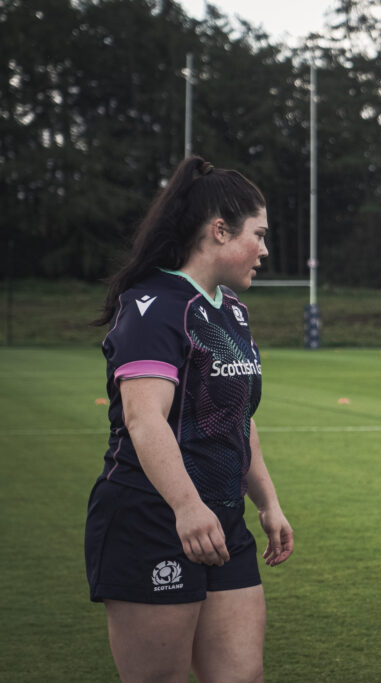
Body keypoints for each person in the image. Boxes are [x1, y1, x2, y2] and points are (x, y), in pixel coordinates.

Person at [85, 156, 294, 682]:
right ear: (219, 231)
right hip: (153, 517)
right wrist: (186, 507)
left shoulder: (232, 310)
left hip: (222, 520)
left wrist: (267, 503)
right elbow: (144, 419)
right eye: (259, 235)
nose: (265, 250)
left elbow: (237, 418)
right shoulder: (154, 306)